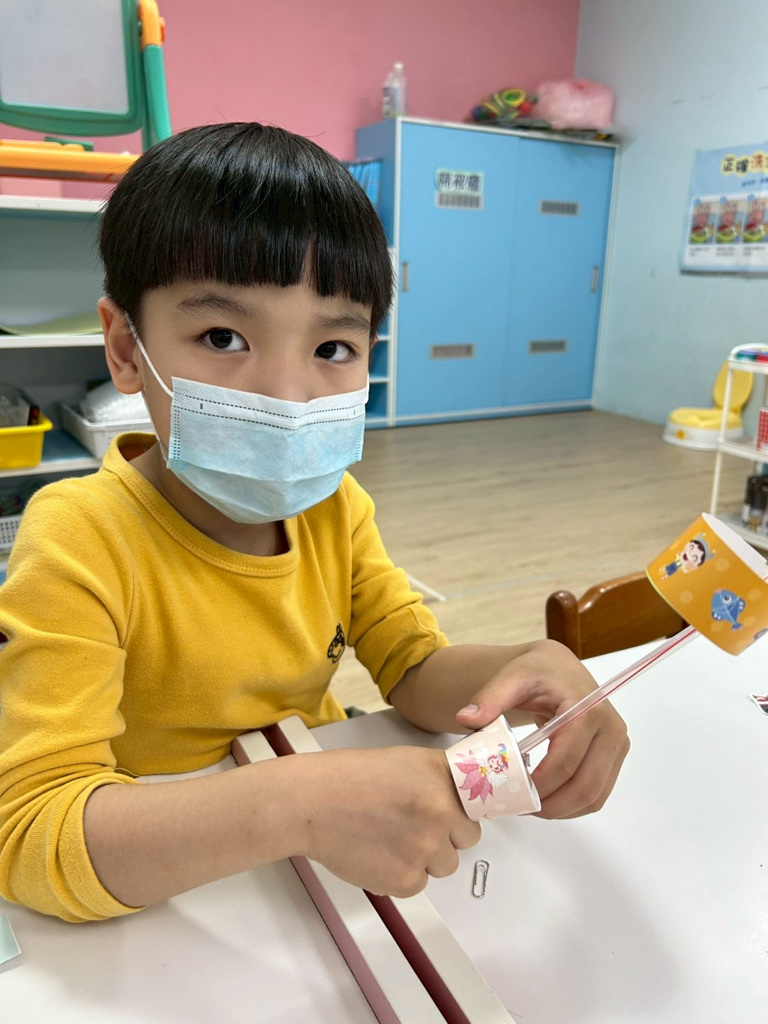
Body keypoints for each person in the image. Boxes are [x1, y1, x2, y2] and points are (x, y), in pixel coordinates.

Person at [0, 123, 629, 923]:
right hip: (173, 881)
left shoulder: (335, 509)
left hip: (317, 865)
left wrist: (524, 669)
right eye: (223, 337)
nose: (287, 394)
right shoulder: (79, 538)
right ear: (126, 348)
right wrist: (295, 804)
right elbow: (32, 832)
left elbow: (411, 667)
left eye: (333, 347)